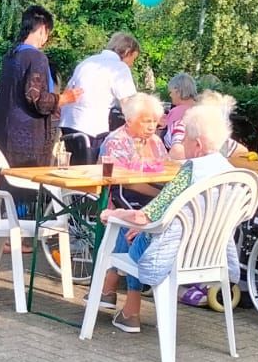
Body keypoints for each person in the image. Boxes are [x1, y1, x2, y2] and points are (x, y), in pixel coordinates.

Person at [98, 100, 238, 333]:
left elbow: (147, 216)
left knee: (126, 228)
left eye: (184, 140)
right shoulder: (231, 173)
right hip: (211, 255)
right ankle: (115, 298)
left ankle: (126, 307)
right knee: (136, 228)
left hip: (172, 253)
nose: (181, 145)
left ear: (199, 144)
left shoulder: (190, 171)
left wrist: (114, 213)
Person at [0, 5, 76, 171]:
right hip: (26, 140)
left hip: (4, 133)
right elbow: (36, 99)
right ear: (43, 30)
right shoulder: (36, 57)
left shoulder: (11, 55)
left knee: (7, 187)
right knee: (26, 189)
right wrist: (63, 99)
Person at [60, 32, 140, 158]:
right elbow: (130, 104)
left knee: (75, 166)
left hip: (69, 122)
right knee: (91, 170)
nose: (131, 64)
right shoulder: (119, 67)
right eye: (133, 59)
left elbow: (67, 90)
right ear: (127, 52)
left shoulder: (87, 62)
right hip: (92, 127)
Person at [161, 73, 197, 148]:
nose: (170, 95)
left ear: (178, 91)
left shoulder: (176, 111)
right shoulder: (200, 107)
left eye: (171, 92)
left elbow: (169, 140)